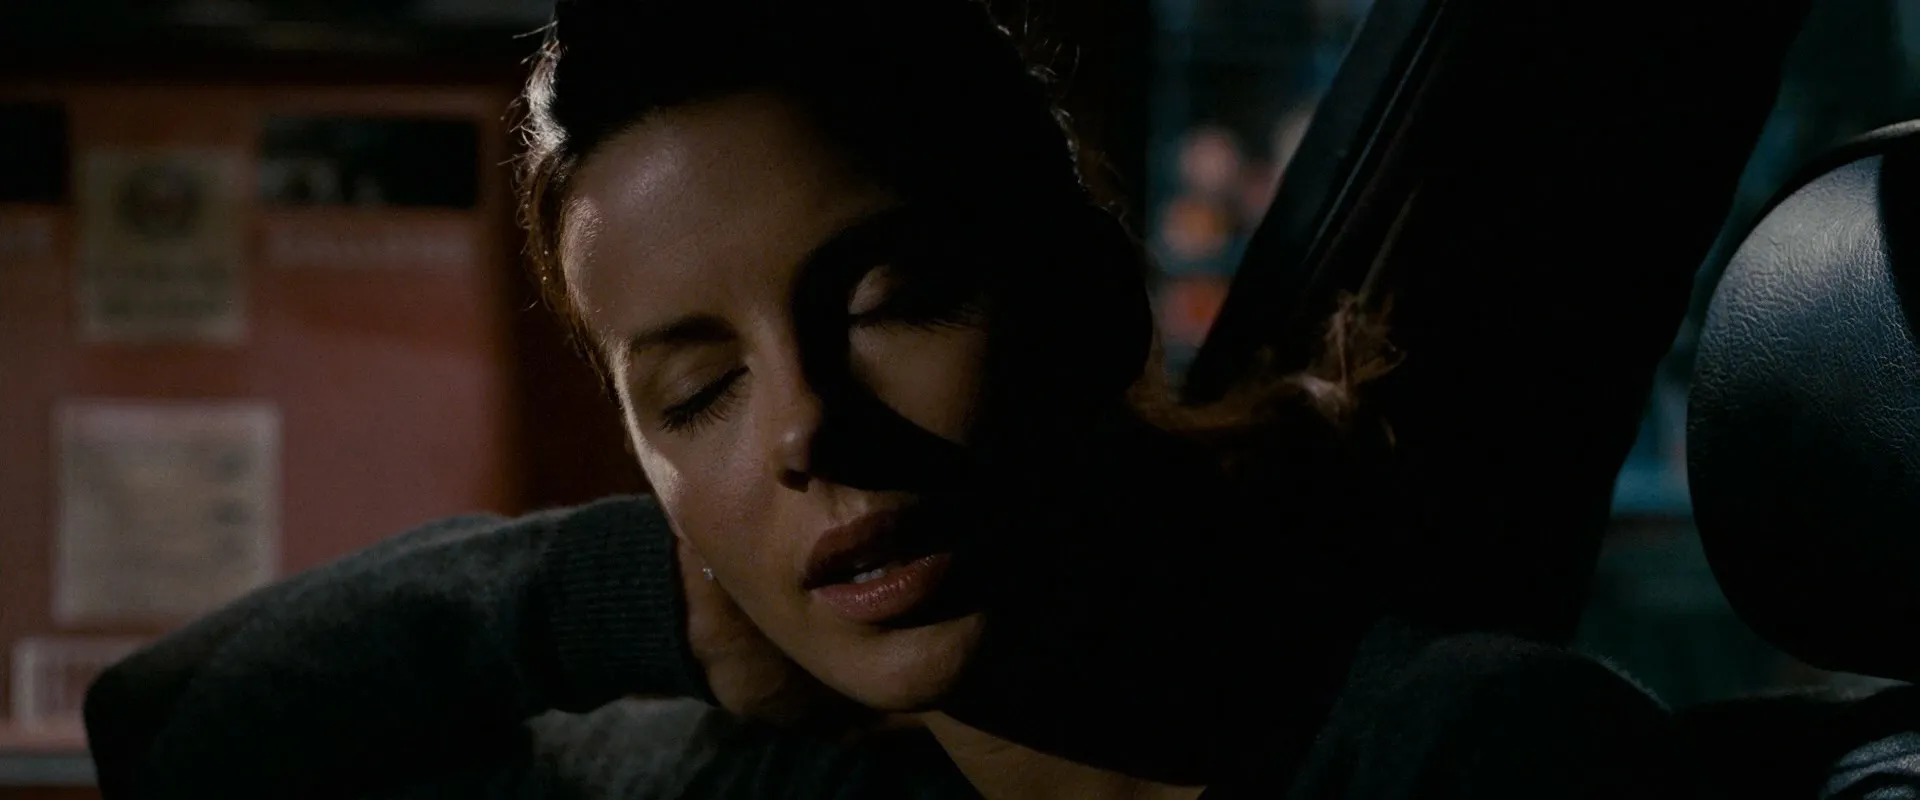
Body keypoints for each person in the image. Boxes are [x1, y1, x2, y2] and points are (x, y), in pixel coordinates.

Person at [83, 1, 1679, 797]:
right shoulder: (737, 773)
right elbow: (174, 727)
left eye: (887, 303)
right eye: (697, 391)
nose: (805, 428)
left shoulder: (1464, 752)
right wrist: (628, 597)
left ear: (1083, 298)